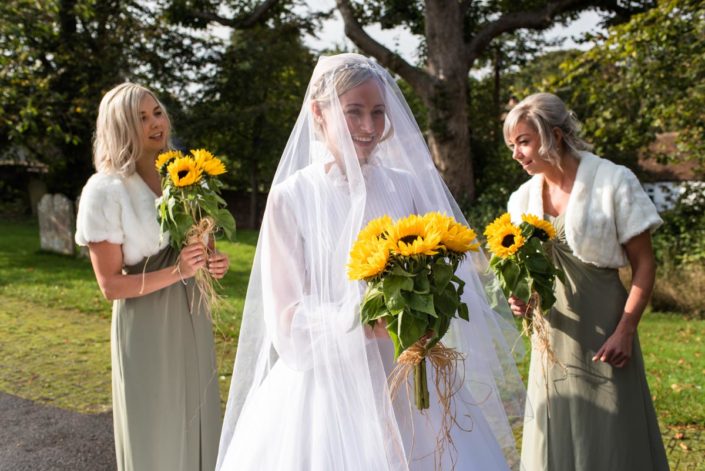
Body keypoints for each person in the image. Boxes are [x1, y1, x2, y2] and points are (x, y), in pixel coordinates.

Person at [216, 53, 526, 471]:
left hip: (407, 373)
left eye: (378, 113)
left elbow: (445, 268)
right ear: (318, 113)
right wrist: (360, 323)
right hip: (327, 386)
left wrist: (427, 309)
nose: (368, 127)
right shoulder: (292, 197)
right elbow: (286, 318)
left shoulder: (406, 186)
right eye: (354, 112)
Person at [503, 92, 669, 470]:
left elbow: (644, 264)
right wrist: (525, 301)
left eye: (524, 142)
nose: (516, 154)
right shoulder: (522, 199)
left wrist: (625, 330)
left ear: (555, 136)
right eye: (512, 145)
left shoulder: (613, 181)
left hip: (607, 328)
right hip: (553, 332)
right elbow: (531, 272)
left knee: (613, 431)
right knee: (556, 425)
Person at [74, 83, 229, 471]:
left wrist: (212, 261)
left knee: (198, 418)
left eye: (156, 112)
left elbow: (201, 246)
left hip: (192, 316)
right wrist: (176, 271)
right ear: (120, 127)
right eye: (140, 118)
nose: (155, 123)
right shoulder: (105, 190)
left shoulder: (188, 176)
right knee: (157, 428)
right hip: (146, 324)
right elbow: (110, 286)